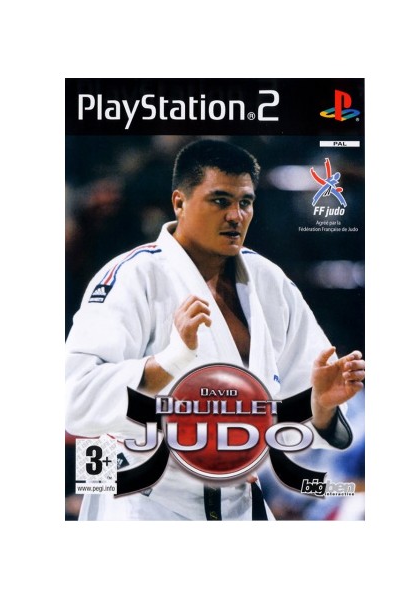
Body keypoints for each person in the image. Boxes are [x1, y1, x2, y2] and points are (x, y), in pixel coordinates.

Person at [65, 139, 365, 520]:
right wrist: (170, 362)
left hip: (237, 500)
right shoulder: (132, 276)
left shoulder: (270, 282)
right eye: (220, 201)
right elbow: (75, 401)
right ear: (179, 203)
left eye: (245, 202)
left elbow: (297, 420)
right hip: (143, 502)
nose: (236, 216)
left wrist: (322, 404)